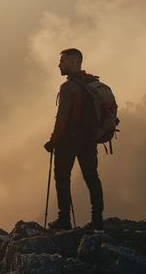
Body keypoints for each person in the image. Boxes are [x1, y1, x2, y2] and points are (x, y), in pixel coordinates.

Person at [43, 48, 104, 231]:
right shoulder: (91, 83)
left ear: (73, 62)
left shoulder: (68, 87)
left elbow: (62, 119)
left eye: (62, 61)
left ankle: (64, 220)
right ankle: (97, 220)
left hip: (70, 139)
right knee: (92, 177)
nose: (59, 65)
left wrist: (53, 142)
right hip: (90, 138)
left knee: (62, 177)